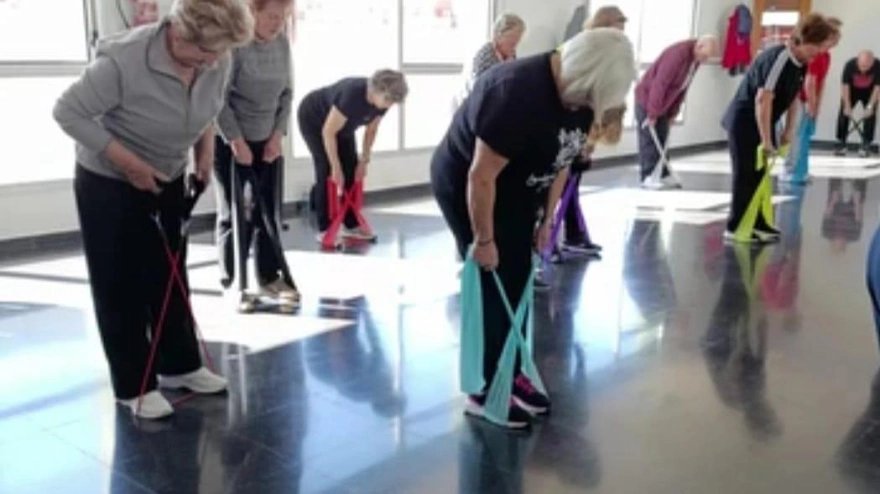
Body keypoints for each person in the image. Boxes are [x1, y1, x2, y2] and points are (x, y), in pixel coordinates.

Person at [52, 0, 253, 419]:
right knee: (119, 284)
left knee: (169, 271)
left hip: (167, 170)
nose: (214, 62)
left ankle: (179, 366)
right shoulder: (123, 60)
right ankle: (134, 386)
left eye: (219, 54)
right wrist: (130, 165)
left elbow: (209, 109)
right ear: (179, 36)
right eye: (206, 54)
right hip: (108, 179)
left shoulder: (216, 56)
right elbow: (67, 112)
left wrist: (203, 154)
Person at [431, 28, 637, 428]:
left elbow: (561, 160)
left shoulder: (581, 97)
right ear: (585, 76)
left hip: (518, 184)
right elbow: (480, 177)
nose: (588, 108)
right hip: (470, 185)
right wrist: (484, 240)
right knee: (494, 277)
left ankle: (511, 368)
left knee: (519, 275)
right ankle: (485, 387)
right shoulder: (514, 92)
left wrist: (547, 220)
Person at [721, 13, 837, 244]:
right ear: (802, 40)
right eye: (817, 47)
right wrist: (766, 140)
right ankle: (736, 227)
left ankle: (759, 222)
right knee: (746, 174)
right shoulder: (780, 58)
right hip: (744, 122)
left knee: (761, 174)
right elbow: (763, 99)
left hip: (763, 121)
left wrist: (788, 131)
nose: (820, 52)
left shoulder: (801, 63)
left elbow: (794, 98)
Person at [215, 0, 296, 312]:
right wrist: (236, 141)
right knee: (235, 212)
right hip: (233, 139)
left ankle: (269, 276)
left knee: (268, 213)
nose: (278, 23)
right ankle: (233, 282)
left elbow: (287, 94)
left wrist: (277, 136)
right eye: (272, 16)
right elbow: (218, 99)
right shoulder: (235, 46)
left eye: (284, 17)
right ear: (253, 12)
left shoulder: (281, 43)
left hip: (269, 139)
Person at [298, 70, 409, 242]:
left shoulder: (382, 104)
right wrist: (335, 166)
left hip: (343, 127)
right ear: (376, 91)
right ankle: (324, 228)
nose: (390, 105)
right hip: (314, 119)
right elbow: (328, 132)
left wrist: (364, 161)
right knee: (327, 170)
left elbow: (371, 131)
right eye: (388, 100)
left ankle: (351, 224)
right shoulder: (352, 96)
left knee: (351, 168)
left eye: (393, 102)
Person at [554, 6, 628, 257]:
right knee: (557, 185)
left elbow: (605, 95)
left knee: (571, 185)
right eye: (619, 22)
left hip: (584, 123)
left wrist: (591, 140)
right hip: (567, 123)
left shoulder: (610, 49)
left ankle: (573, 235)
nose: (622, 28)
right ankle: (548, 240)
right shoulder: (587, 46)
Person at [636, 35, 719, 189]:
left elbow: (683, 87)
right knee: (649, 139)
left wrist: (674, 112)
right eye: (706, 56)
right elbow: (659, 84)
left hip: (665, 103)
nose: (705, 60)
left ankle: (663, 174)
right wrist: (652, 113)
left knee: (662, 137)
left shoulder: (695, 59)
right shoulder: (677, 55)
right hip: (648, 99)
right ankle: (647, 176)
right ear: (699, 46)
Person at [781, 17, 842, 183]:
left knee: (805, 137)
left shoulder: (825, 57)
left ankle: (801, 169)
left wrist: (818, 106)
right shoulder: (814, 55)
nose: (836, 41)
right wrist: (811, 104)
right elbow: (810, 81)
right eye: (833, 37)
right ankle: (789, 170)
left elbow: (821, 82)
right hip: (799, 99)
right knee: (797, 135)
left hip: (809, 101)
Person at [835, 50, 880, 157]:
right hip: (852, 91)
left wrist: (870, 106)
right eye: (862, 66)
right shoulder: (849, 65)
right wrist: (847, 105)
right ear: (857, 61)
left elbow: (877, 88)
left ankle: (866, 144)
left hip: (869, 92)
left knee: (871, 115)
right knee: (843, 114)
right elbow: (845, 86)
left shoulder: (878, 66)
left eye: (867, 67)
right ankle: (841, 143)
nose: (863, 70)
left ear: (872, 62)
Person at [467, 13, 526, 88]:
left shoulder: (509, 53)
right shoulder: (486, 55)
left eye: (516, 42)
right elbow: (481, 89)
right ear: (499, 36)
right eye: (512, 43)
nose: (514, 47)